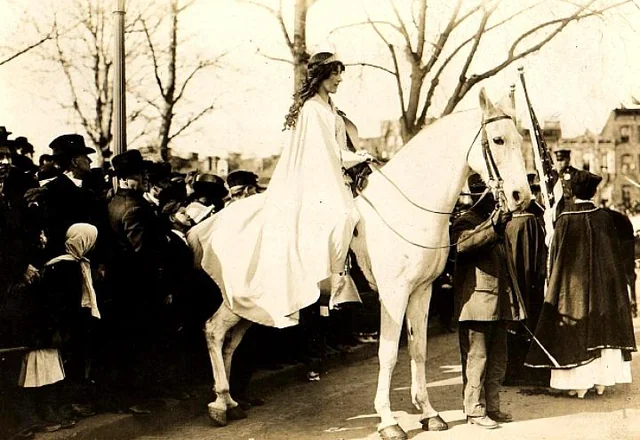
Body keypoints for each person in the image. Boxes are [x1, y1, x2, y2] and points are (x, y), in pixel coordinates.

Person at [525, 170, 636, 397]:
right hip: (601, 289)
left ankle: (578, 384)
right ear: (594, 192)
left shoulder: (565, 219)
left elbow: (554, 253)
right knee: (601, 329)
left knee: (575, 329)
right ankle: (601, 382)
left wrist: (550, 229)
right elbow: (613, 256)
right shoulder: (604, 218)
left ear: (573, 192)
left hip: (572, 288)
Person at [451, 174, 526, 429]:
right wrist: (493, 225)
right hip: (476, 305)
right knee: (477, 359)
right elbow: (463, 244)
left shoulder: (493, 222)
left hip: (498, 305)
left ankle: (491, 407)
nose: (495, 199)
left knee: (497, 360)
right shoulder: (465, 221)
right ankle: (474, 410)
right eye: (490, 194)